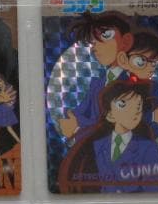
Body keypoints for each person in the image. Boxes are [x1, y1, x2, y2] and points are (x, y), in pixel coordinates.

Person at [59, 81, 158, 193]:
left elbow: (153, 190)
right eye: (123, 105)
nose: (135, 112)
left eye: (138, 106)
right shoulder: (98, 145)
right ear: (110, 115)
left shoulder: (147, 148)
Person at [56, 10, 134, 140]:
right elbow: (79, 111)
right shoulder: (96, 83)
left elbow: (114, 124)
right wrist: (72, 120)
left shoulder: (133, 82)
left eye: (105, 36)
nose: (94, 47)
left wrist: (77, 126)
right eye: (93, 42)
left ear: (125, 41)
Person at [0, 73, 21, 151]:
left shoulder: (9, 88)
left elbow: (9, 101)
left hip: (6, 111)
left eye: (0, 81)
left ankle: (20, 142)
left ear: (3, 80)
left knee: (9, 129)